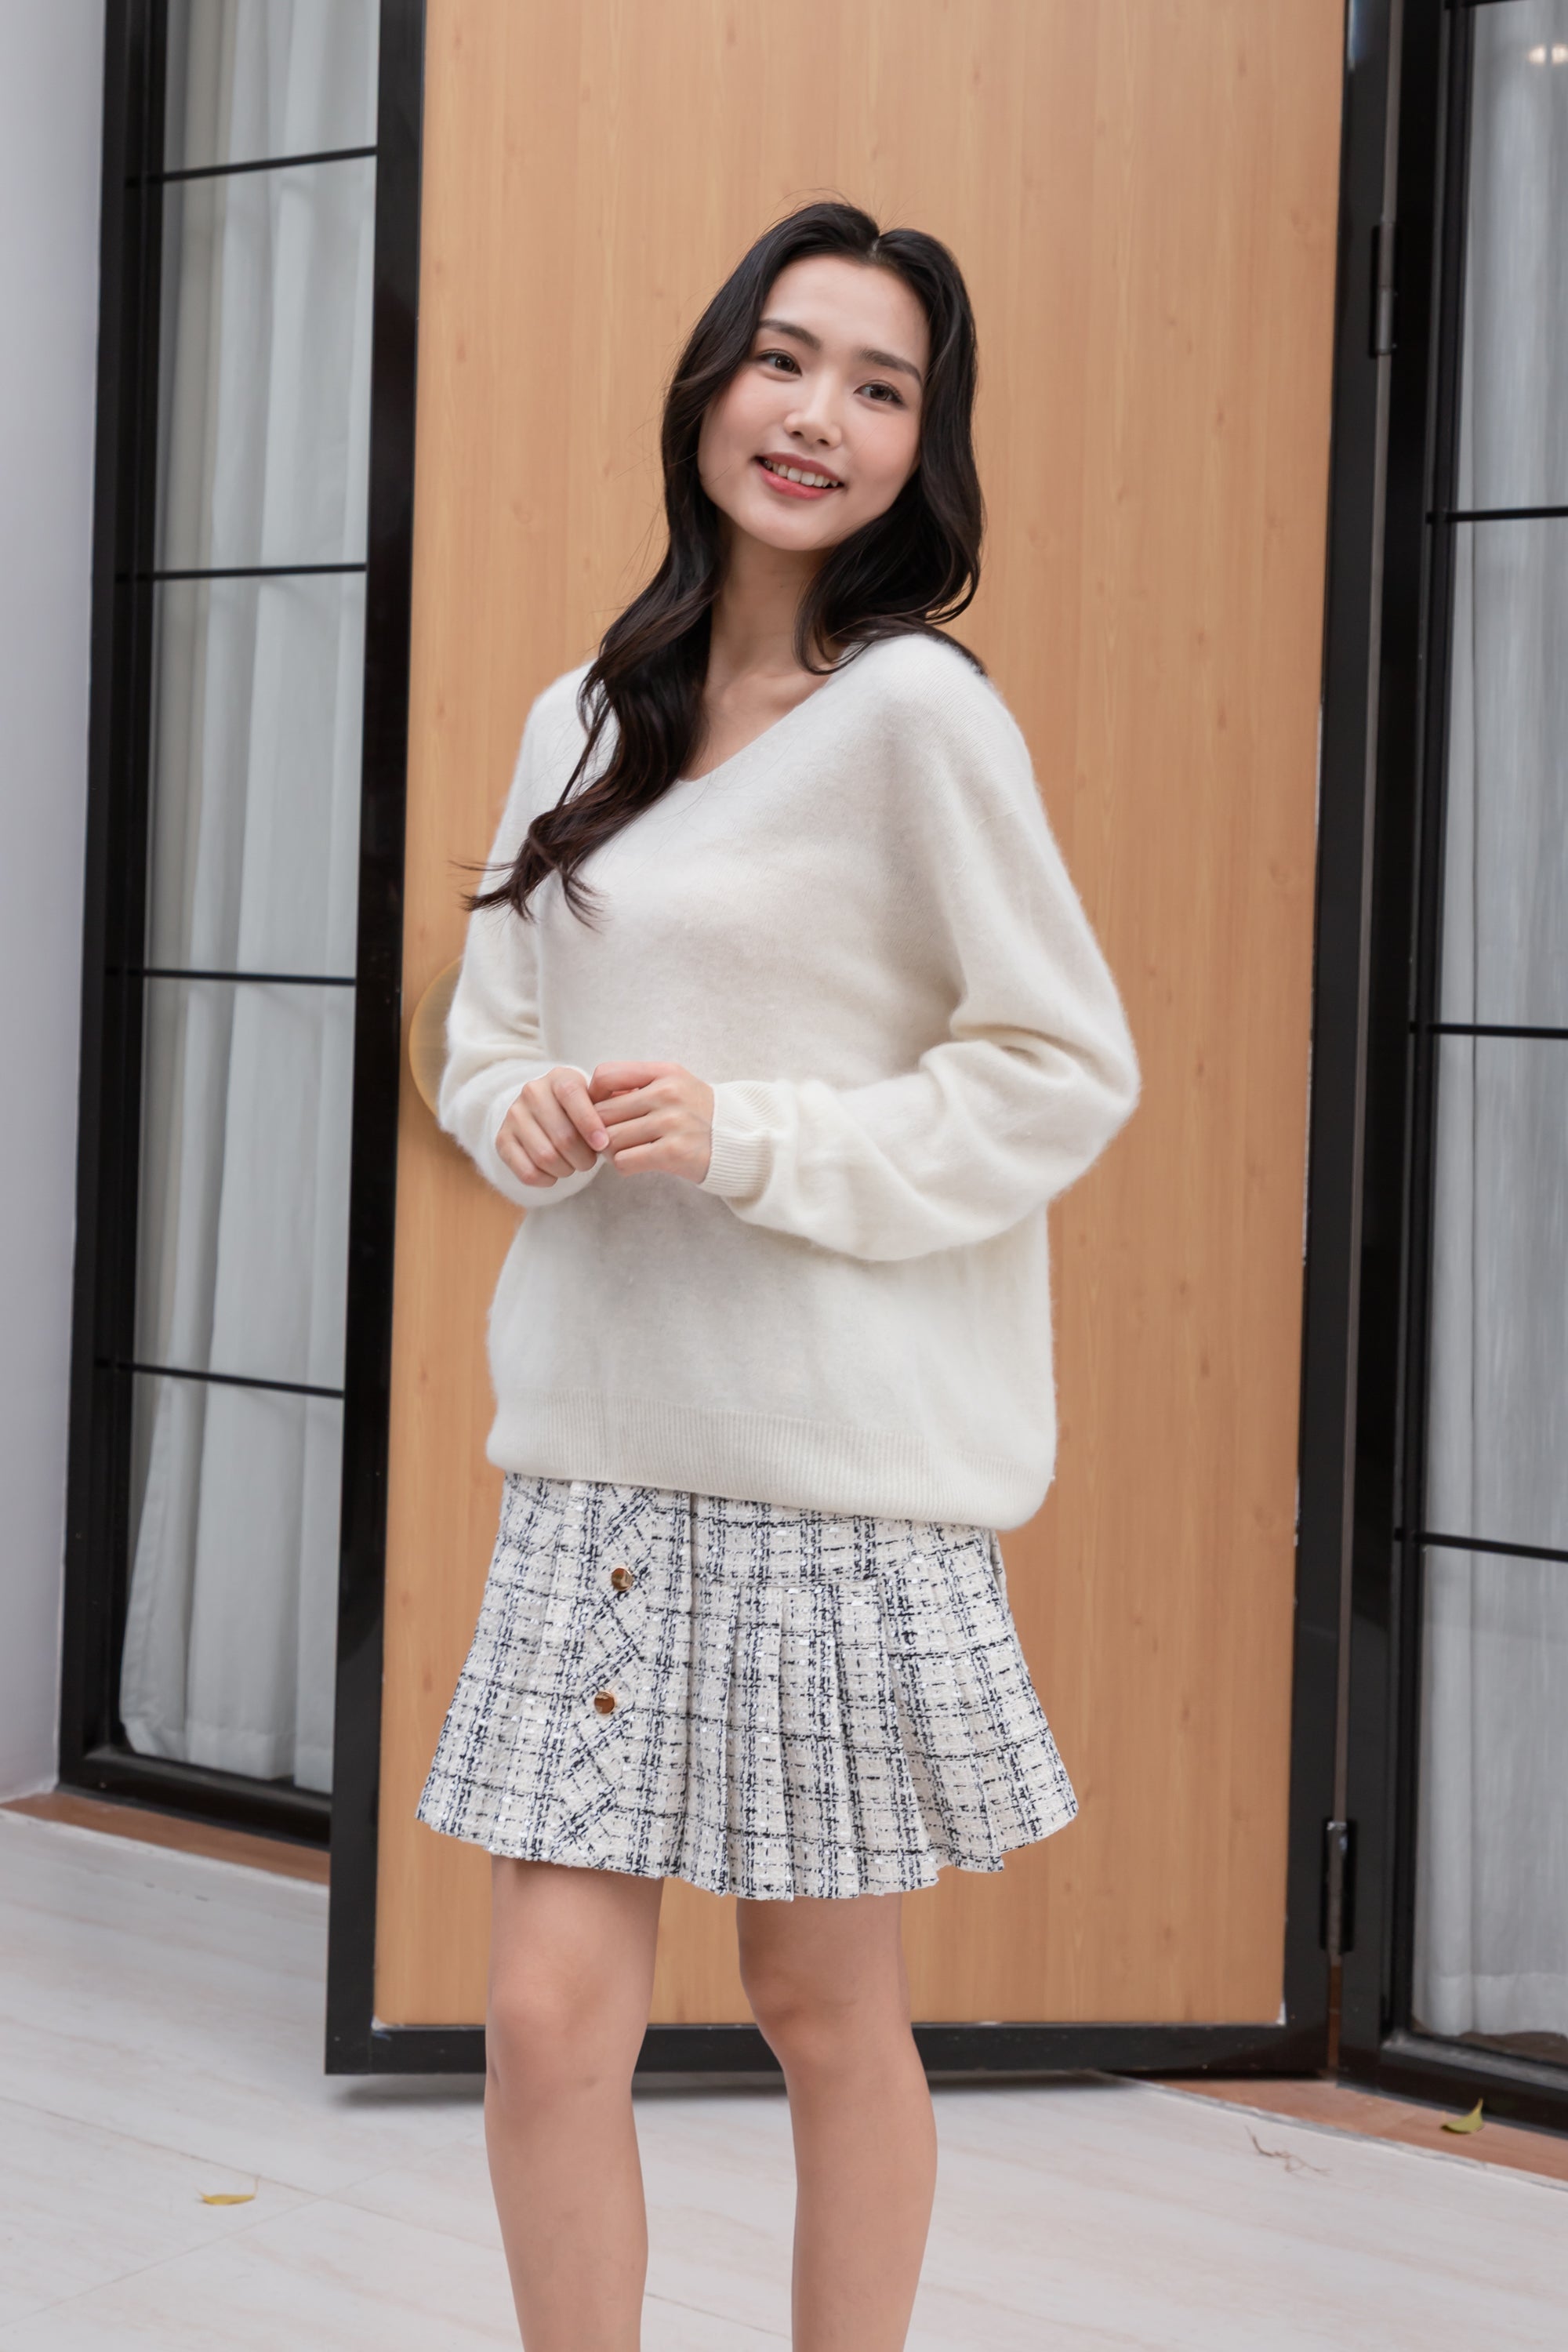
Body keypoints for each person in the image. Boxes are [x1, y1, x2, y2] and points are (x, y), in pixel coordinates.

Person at [417, 198, 1139, 2352]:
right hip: (601, 1458)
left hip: (832, 1476)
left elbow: (1060, 1069)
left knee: (823, 2006)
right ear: (712, 383)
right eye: (786, 358)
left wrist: (755, 1140)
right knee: (545, 2022)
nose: (819, 414)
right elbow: (483, 1036)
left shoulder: (917, 716)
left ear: (925, 448)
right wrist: (516, 1114)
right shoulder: (584, 713)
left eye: (880, 387)